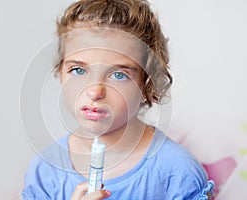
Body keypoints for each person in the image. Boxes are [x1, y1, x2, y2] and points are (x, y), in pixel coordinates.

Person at [21, 0, 214, 199]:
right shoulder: (44, 172)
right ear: (60, 73)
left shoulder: (177, 172)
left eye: (118, 75)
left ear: (146, 84)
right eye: (78, 70)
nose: (95, 91)